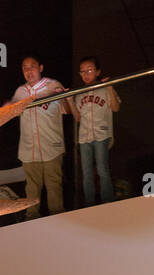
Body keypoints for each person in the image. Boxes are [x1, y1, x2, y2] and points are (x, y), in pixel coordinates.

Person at [12, 55, 72, 218]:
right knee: (31, 188)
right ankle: (31, 220)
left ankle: (58, 219)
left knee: (54, 186)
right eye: (24, 67)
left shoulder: (53, 85)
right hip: (28, 148)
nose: (28, 70)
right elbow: (10, 112)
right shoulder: (20, 92)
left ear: (41, 68)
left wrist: (65, 98)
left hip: (51, 146)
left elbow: (67, 110)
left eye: (32, 66)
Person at [69, 55, 120, 205]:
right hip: (84, 136)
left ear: (98, 71)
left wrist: (110, 86)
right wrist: (69, 101)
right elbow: (78, 118)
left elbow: (115, 107)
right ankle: (89, 203)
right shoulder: (80, 92)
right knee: (86, 173)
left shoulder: (104, 88)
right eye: (82, 71)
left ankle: (107, 201)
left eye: (90, 70)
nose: (86, 74)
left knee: (102, 169)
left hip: (101, 134)